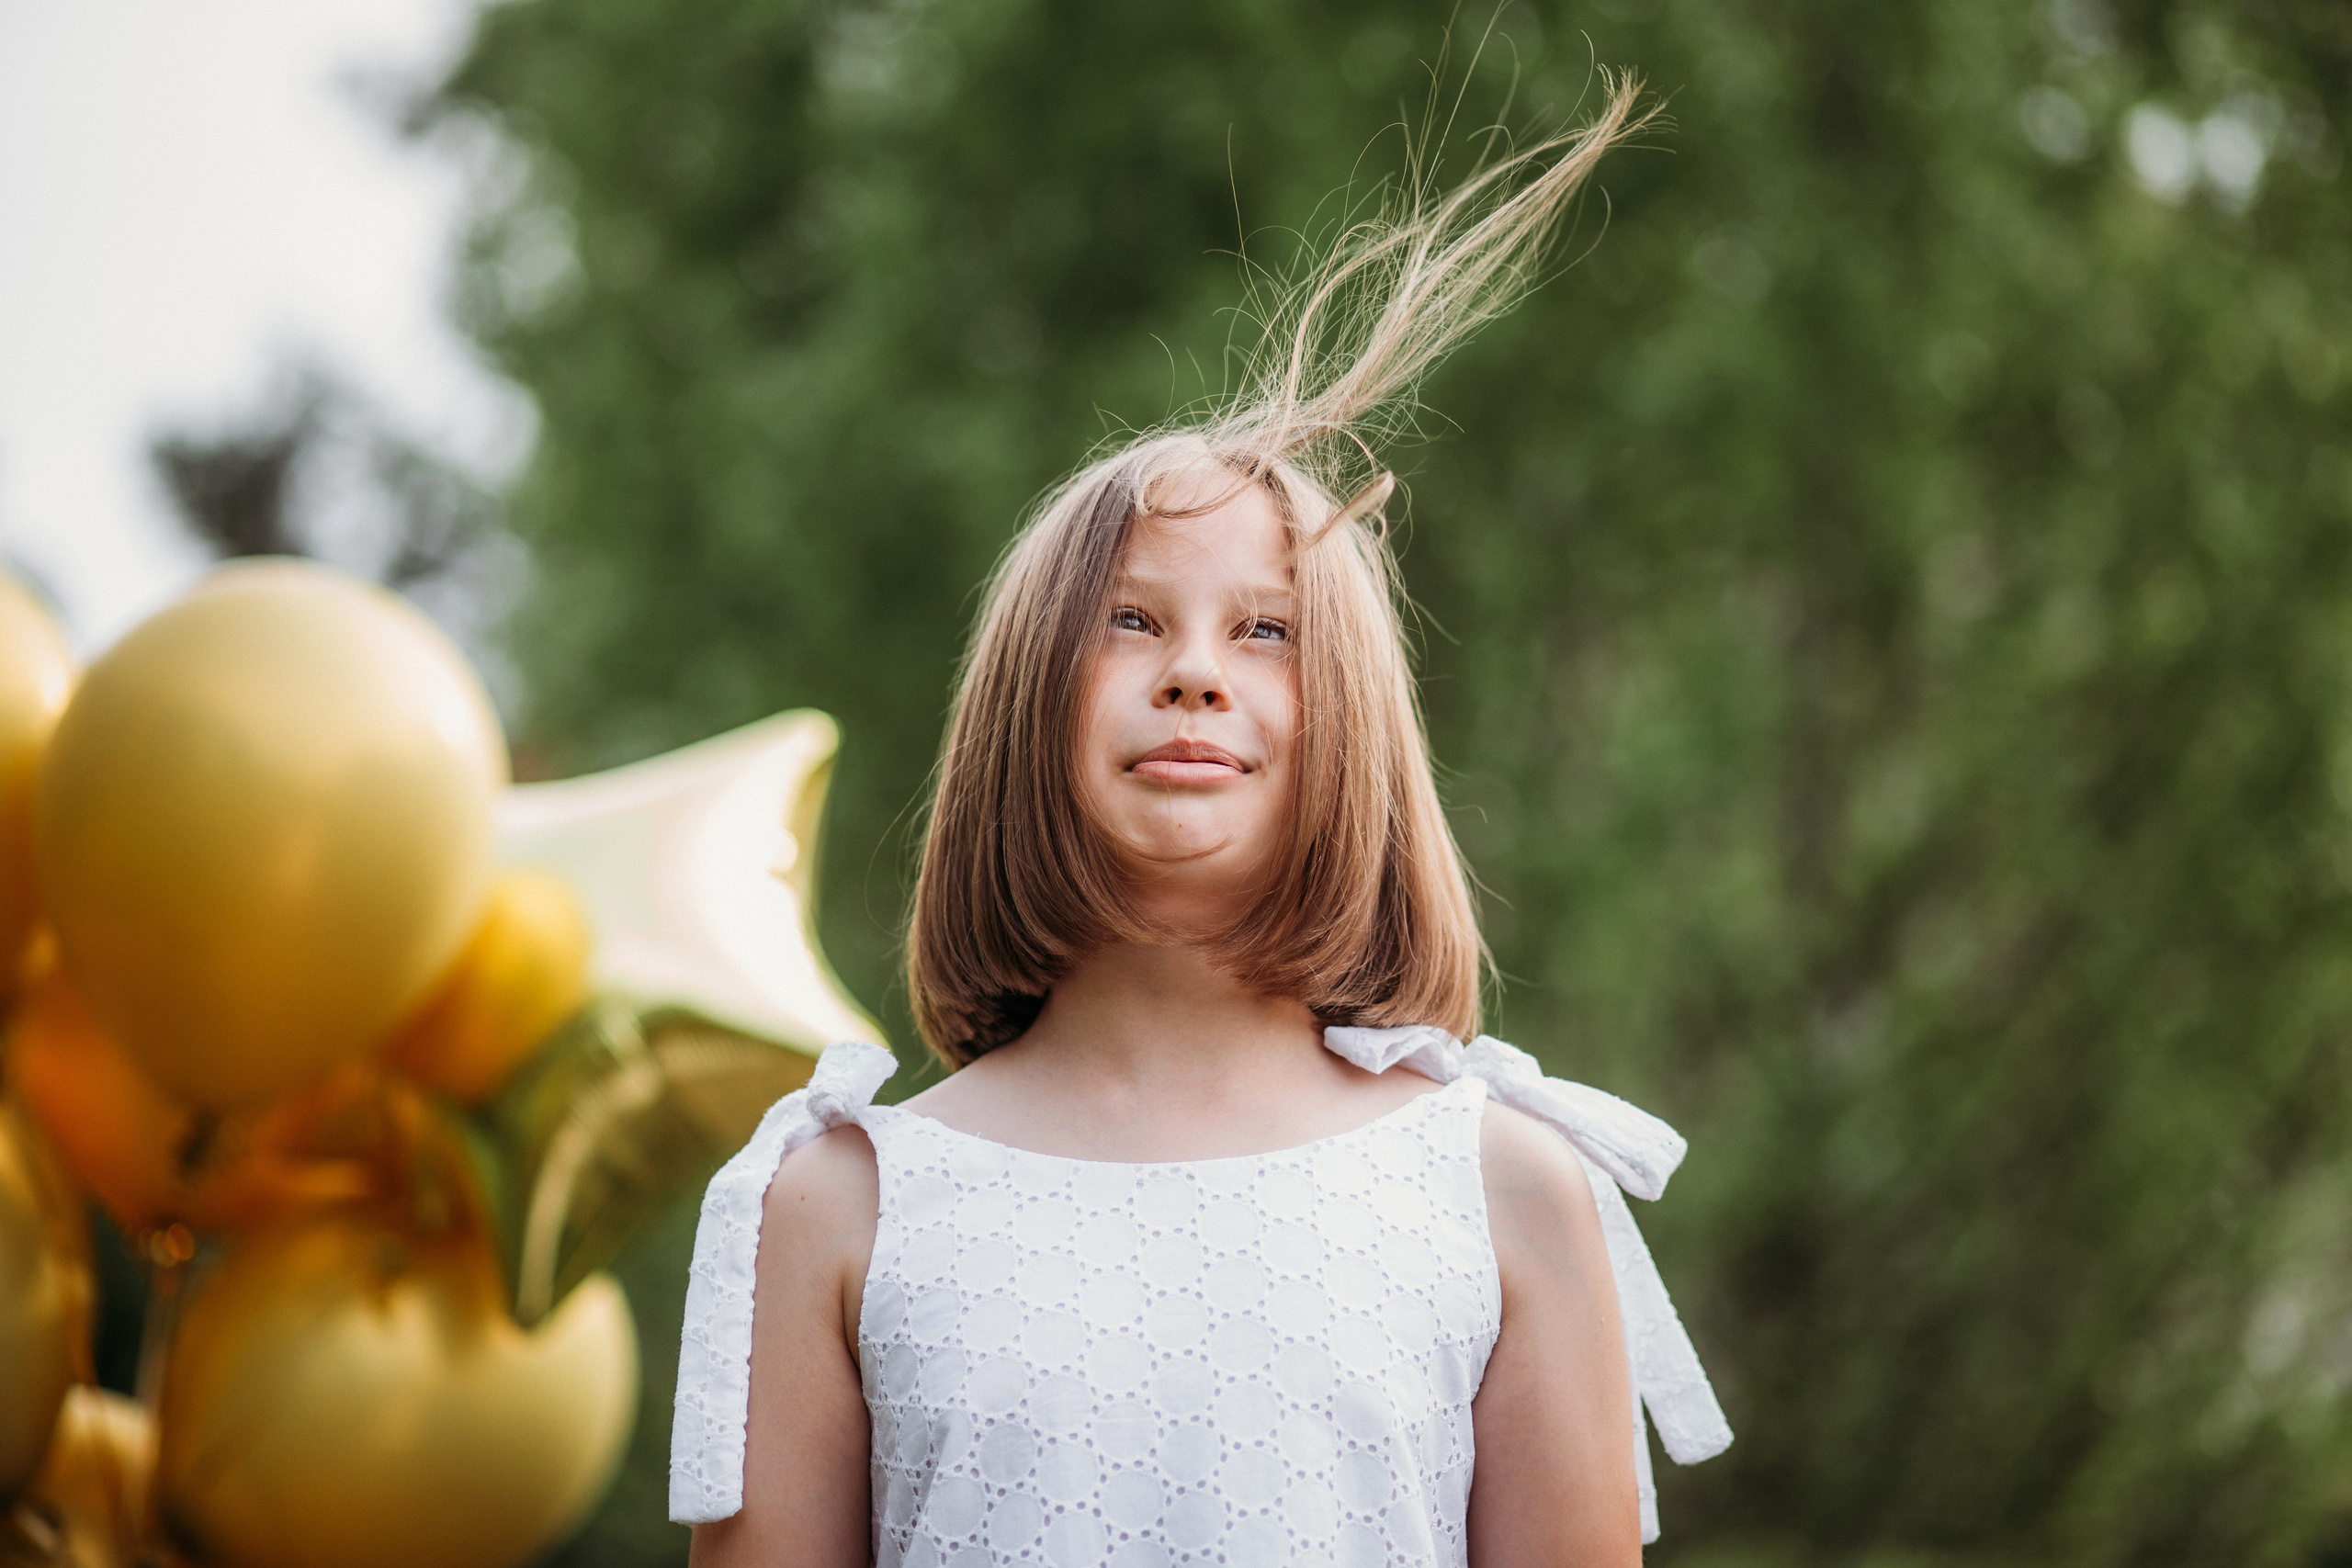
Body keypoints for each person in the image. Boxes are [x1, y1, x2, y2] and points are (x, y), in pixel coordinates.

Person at [669, 70, 1729, 1568]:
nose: (1191, 677)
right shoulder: (842, 1206)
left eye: (1266, 634)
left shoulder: (1506, 1186)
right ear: (1023, 705)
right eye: (1130, 621)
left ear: (1354, 730)